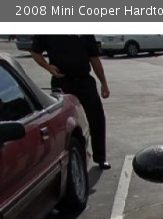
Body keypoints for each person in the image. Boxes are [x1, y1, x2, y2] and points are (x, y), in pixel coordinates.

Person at [30, 35, 110, 169]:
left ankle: (100, 158)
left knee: (97, 118)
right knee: (63, 123)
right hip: (62, 82)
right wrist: (48, 67)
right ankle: (65, 160)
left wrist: (104, 83)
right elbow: (35, 52)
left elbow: (94, 59)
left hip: (84, 81)